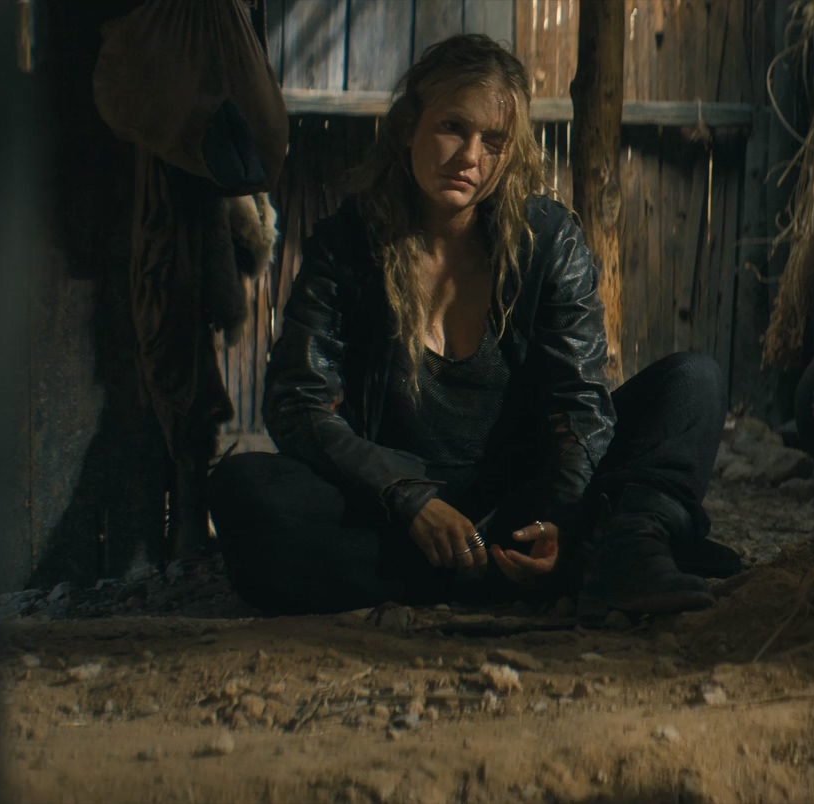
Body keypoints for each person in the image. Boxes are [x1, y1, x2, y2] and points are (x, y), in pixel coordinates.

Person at [208, 34, 740, 620]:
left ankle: (610, 550)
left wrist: (559, 517)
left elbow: (581, 408)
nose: (469, 156)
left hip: (522, 505)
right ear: (408, 126)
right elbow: (297, 401)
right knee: (243, 488)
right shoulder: (349, 245)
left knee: (694, 382)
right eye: (452, 127)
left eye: (493, 141)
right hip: (394, 511)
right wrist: (406, 497)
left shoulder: (547, 243)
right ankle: (566, 568)